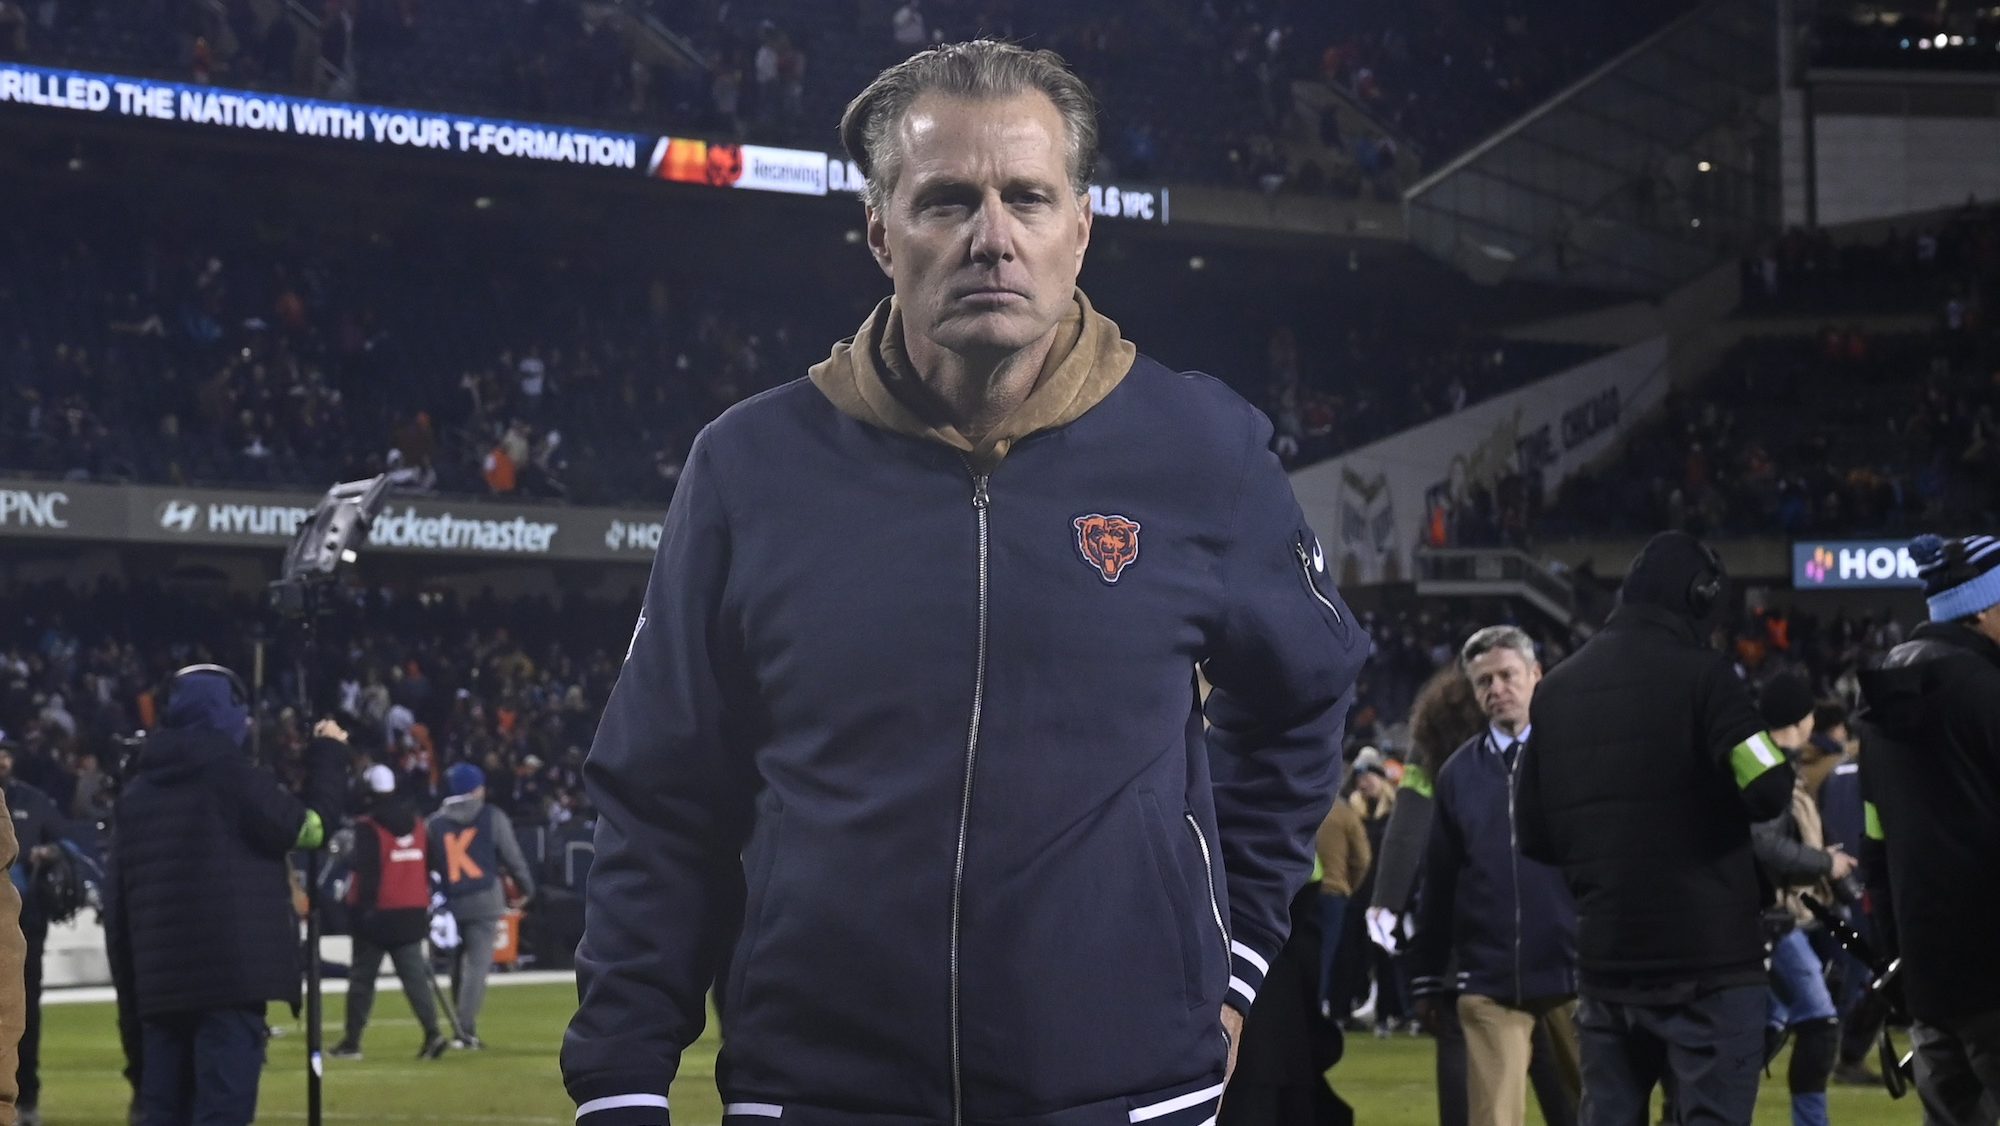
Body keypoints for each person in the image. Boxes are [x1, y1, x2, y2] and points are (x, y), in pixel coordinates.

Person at [562, 40, 1368, 1126]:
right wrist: (620, 1080)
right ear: (878, 230)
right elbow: (662, 791)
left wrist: (1230, 962)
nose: (992, 237)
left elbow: (1304, 699)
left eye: (1027, 197)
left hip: (1129, 1096)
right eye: (946, 200)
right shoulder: (749, 466)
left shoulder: (1201, 452)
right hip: (816, 1097)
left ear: (1079, 228)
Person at [1518, 531, 1796, 1126]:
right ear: (1700, 598)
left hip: (1605, 965)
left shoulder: (1556, 691)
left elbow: (1533, 835)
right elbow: (1769, 784)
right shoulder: (1706, 678)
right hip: (1709, 968)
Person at [107, 665, 345, 1126]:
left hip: (159, 988)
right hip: (230, 981)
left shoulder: (135, 793)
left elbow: (118, 908)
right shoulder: (230, 774)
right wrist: (329, 757)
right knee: (222, 1111)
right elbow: (307, 828)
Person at [1411, 626, 1581, 1126]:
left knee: (1600, 1112)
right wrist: (1426, 975)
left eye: (1507, 675)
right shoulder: (1457, 775)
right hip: (1489, 979)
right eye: (1484, 681)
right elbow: (1438, 883)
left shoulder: (1576, 759)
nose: (1496, 689)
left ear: (1536, 676)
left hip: (1573, 972)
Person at [1857, 533, 2000, 1123]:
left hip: (1926, 973)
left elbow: (1875, 848)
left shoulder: (1882, 699)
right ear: (1984, 610)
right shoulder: (1987, 694)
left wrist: (1899, 957)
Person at [1748, 674, 1849, 1126]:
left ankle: (1697, 1109)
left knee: (1765, 1030)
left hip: (1780, 918)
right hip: (1772, 919)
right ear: (1802, 717)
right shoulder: (1770, 767)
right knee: (1820, 1026)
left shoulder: (1771, 761)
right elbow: (1764, 845)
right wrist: (1822, 863)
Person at [333, 765, 449, 1061]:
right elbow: (434, 864)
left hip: (377, 915)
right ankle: (433, 1033)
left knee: (361, 981)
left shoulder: (368, 826)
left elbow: (369, 873)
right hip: (411, 912)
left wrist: (362, 911)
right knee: (415, 980)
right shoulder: (419, 823)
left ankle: (352, 1042)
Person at [427, 762, 536, 1049]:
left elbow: (429, 868)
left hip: (452, 902)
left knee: (456, 965)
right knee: (476, 966)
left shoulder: (435, 823)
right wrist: (526, 888)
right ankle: (466, 1030)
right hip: (485, 898)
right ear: (475, 789)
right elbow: (513, 857)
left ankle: (459, 1027)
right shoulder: (491, 815)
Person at [0, 747, 61, 1126]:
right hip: (14, 924)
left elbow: (65, 841)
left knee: (24, 1017)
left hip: (31, 922)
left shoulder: (34, 800)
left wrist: (50, 852)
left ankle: (30, 1097)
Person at [1314, 783, 1369, 1020]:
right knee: (1328, 955)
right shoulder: (1345, 815)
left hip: (1299, 893)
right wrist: (1349, 885)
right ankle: (1321, 1009)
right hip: (1334, 892)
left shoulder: (1305, 807)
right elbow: (1363, 858)